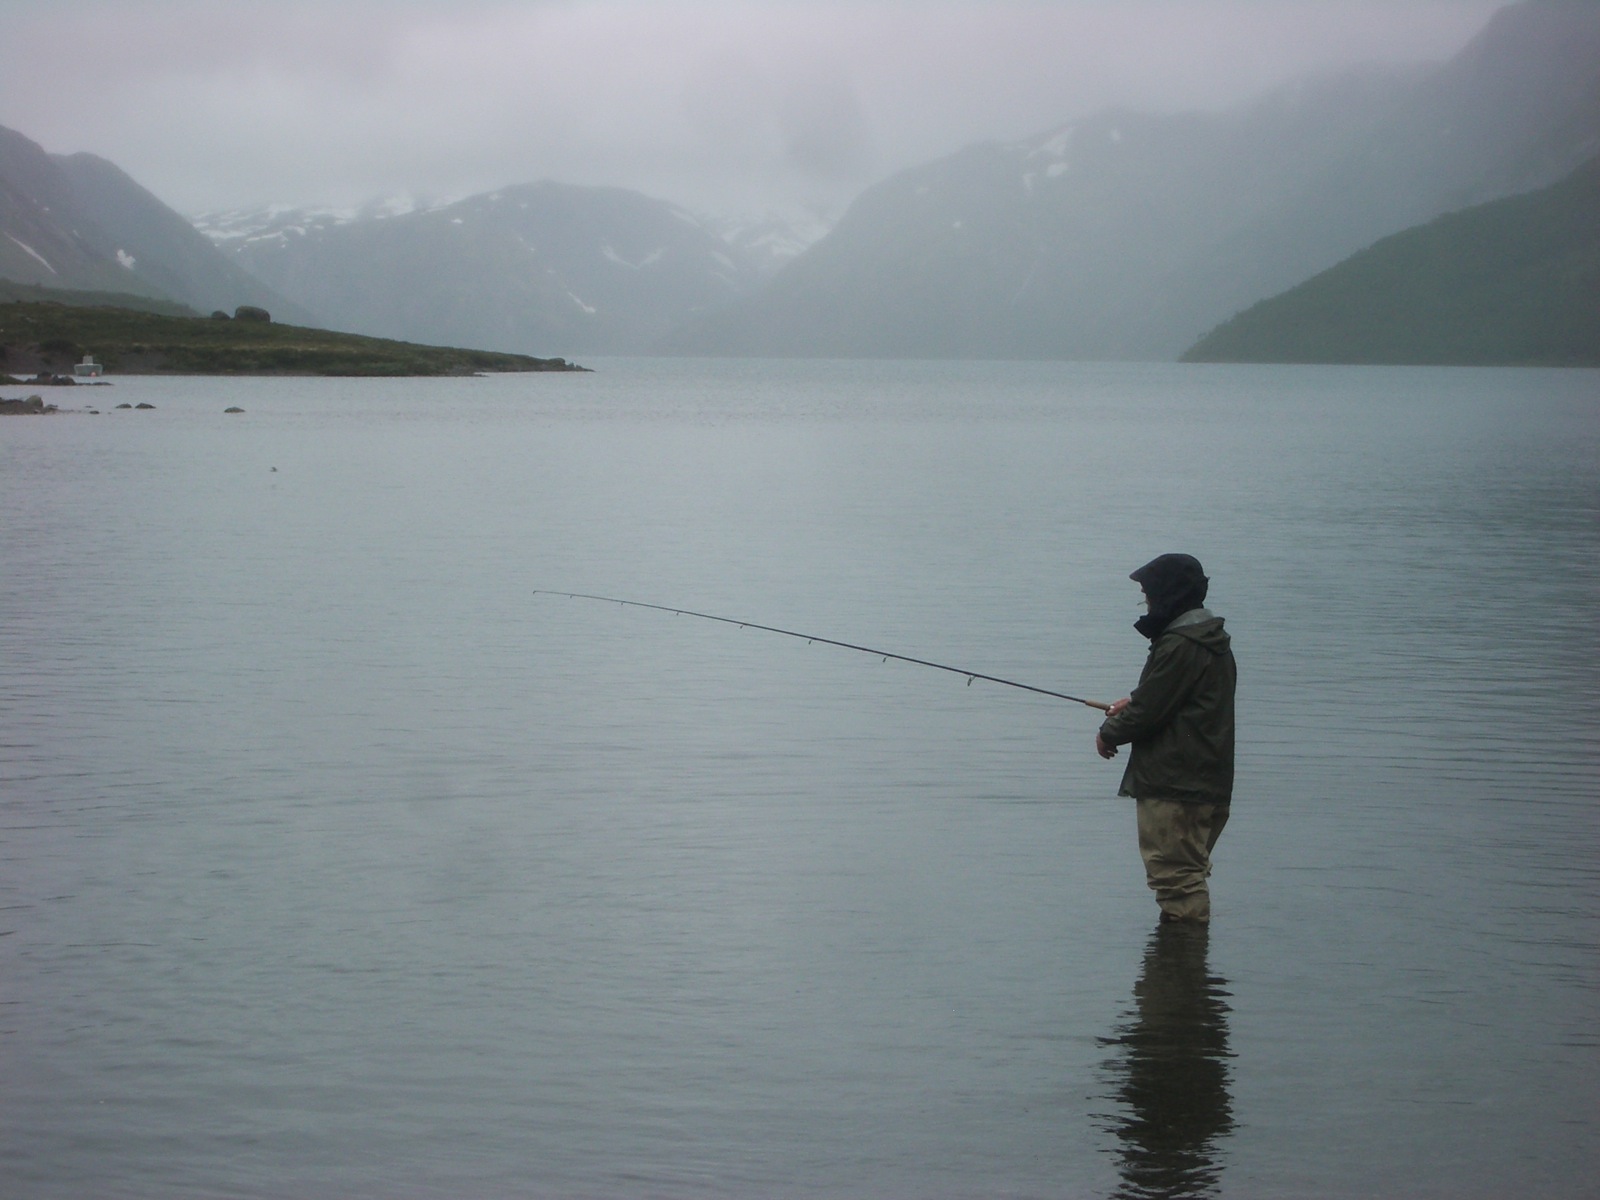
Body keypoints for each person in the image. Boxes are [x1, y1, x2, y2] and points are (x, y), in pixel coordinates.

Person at [1096, 554, 1236, 924]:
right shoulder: (1211, 640)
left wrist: (1108, 732)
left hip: (1177, 787)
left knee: (1176, 880)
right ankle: (1183, 971)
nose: (1147, 603)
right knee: (1186, 875)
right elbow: (1173, 699)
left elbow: (1148, 712)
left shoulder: (1180, 644)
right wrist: (1136, 701)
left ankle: (1182, 972)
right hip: (1206, 782)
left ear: (1168, 595)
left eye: (1148, 595)